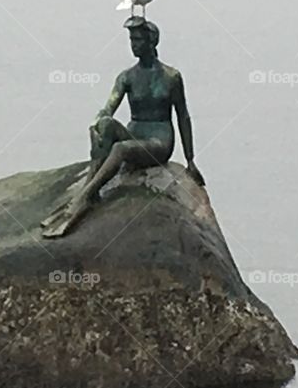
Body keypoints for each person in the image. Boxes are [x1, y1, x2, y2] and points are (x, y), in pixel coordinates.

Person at [42, 18, 205, 238]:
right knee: (107, 126)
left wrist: (190, 159)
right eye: (131, 40)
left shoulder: (171, 77)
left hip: (159, 140)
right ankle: (88, 189)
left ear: (152, 42)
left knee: (120, 149)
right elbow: (108, 109)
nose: (133, 45)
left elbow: (183, 116)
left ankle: (85, 196)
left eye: (138, 40)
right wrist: (98, 124)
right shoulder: (126, 77)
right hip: (135, 133)